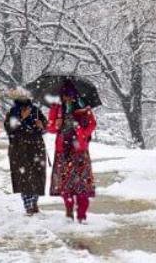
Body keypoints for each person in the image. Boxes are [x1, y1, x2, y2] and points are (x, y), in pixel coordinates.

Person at [47, 81, 97, 223]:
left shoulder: (84, 108)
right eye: (64, 96)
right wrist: (54, 122)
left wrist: (79, 130)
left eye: (69, 96)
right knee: (65, 184)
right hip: (63, 150)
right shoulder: (57, 108)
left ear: (75, 95)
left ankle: (81, 214)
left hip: (79, 151)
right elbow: (50, 128)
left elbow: (92, 125)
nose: (67, 99)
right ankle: (69, 210)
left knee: (82, 186)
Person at [3, 88, 48, 216]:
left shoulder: (36, 111)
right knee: (24, 177)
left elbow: (45, 127)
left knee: (37, 176)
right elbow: (9, 129)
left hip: (36, 149)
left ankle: (34, 203)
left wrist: (42, 126)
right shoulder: (12, 112)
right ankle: (28, 205)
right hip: (19, 150)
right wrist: (22, 119)